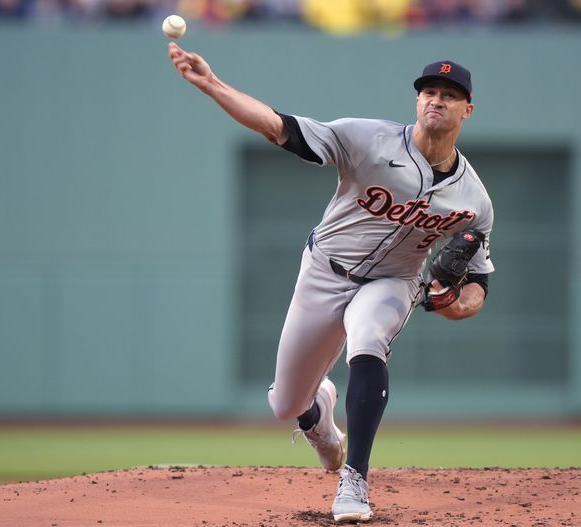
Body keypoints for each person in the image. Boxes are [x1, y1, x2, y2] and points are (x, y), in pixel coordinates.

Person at [168, 42, 494, 523]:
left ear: (468, 109)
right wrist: (213, 84)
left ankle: (355, 480)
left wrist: (453, 303)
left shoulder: (474, 200)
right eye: (429, 91)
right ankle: (317, 415)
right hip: (324, 271)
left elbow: (478, 284)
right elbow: (277, 126)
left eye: (449, 94)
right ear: (417, 100)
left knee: (368, 338)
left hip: (394, 280)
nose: (436, 100)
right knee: (285, 404)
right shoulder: (366, 139)